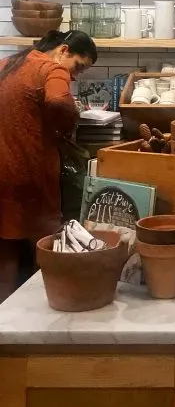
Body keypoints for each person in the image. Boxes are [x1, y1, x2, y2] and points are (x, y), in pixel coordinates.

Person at [0, 30, 97, 300]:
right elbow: (57, 101)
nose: (74, 75)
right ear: (63, 51)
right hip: (30, 170)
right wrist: (67, 125)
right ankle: (47, 307)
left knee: (6, 247)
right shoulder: (52, 68)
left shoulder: (8, 63)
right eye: (78, 66)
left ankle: (5, 321)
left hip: (2, 170)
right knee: (45, 242)